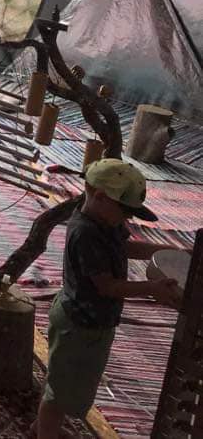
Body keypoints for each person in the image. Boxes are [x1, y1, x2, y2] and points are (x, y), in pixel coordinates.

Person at [34, 159, 183, 438]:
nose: (127, 219)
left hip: (92, 320)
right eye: (124, 211)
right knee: (59, 394)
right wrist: (151, 288)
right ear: (101, 197)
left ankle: (43, 428)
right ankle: (45, 432)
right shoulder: (86, 233)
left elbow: (125, 247)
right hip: (78, 324)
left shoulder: (106, 221)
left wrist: (169, 251)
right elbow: (107, 287)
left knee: (63, 381)